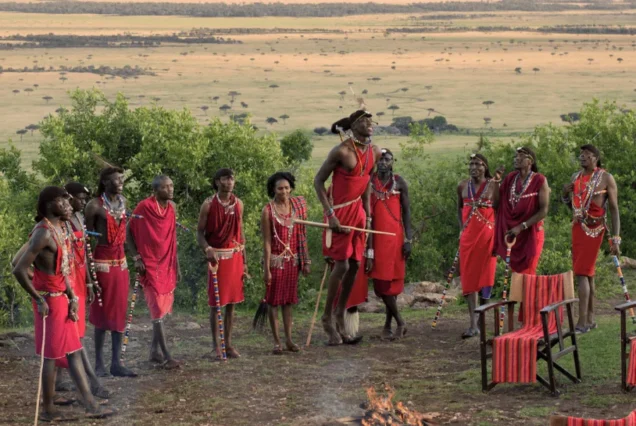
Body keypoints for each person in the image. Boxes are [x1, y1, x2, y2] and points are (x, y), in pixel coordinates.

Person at [12, 186, 114, 421]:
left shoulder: (60, 227)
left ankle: (90, 404)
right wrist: (38, 298)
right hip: (50, 302)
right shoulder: (43, 233)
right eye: (64, 202)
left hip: (63, 300)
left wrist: (71, 296)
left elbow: (64, 269)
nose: (70, 206)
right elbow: (19, 268)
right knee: (51, 356)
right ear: (50, 204)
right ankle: (48, 410)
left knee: (74, 351)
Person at [314, 109, 381, 345]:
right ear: (353, 126)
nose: (369, 123)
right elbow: (318, 181)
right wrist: (330, 213)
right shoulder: (341, 151)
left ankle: (340, 315)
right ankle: (327, 319)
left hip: (359, 215)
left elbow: (368, 184)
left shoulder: (375, 151)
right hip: (339, 213)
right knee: (341, 264)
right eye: (363, 120)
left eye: (370, 120)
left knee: (355, 265)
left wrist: (369, 215)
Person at [562, 144, 620, 333]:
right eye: (581, 154)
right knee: (588, 273)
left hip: (595, 228)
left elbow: (613, 209)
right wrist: (565, 194)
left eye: (587, 154)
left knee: (581, 273)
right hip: (578, 228)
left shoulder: (605, 178)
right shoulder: (575, 178)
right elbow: (573, 207)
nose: (582, 157)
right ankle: (591, 319)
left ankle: (582, 322)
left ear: (596, 157)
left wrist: (616, 238)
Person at [85, 167, 136, 377]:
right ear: (105, 182)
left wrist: (135, 256)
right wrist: (88, 272)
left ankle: (116, 363)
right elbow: (86, 240)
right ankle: (99, 364)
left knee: (119, 312)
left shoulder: (123, 202)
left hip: (121, 263)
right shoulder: (94, 206)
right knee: (102, 311)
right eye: (116, 179)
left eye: (122, 179)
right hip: (102, 262)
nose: (121, 182)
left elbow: (127, 232)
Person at [127, 175, 181, 368]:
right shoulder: (144, 207)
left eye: (171, 185)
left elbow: (172, 237)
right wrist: (136, 257)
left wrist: (176, 264)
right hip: (149, 263)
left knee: (163, 308)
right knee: (156, 308)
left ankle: (153, 352)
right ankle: (167, 356)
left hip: (166, 262)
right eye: (166, 187)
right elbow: (128, 232)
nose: (170, 189)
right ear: (156, 190)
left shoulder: (171, 208)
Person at [360, 148, 412, 340]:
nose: (383, 162)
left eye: (387, 159)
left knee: (392, 284)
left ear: (392, 162)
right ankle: (400, 321)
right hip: (375, 239)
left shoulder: (399, 182)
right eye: (380, 159)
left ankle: (389, 325)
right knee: (381, 285)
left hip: (396, 238)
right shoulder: (368, 182)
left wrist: (409, 239)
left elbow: (407, 212)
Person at [197, 168, 247, 360]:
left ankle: (228, 344)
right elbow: (200, 232)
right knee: (216, 303)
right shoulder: (208, 205)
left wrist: (244, 260)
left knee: (232, 303)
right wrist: (207, 248)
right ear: (217, 182)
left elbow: (240, 232)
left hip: (234, 256)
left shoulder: (239, 204)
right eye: (225, 179)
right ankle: (215, 346)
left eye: (232, 178)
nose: (229, 182)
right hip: (216, 258)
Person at [260, 172, 311, 354]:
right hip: (276, 262)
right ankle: (277, 342)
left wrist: (305, 261)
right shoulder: (268, 211)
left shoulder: (296, 207)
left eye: (287, 188)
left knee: (288, 302)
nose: (284, 191)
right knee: (273, 302)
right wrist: (266, 269)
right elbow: (266, 241)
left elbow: (302, 234)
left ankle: (289, 340)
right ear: (273, 189)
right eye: (280, 188)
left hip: (293, 261)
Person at [456, 154, 500, 338]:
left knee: (486, 278)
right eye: (471, 163)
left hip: (487, 238)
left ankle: (482, 319)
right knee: (470, 280)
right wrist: (462, 230)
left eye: (478, 164)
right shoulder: (462, 186)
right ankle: (473, 324)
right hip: (468, 240)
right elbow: (459, 209)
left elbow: (500, 210)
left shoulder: (493, 185)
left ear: (485, 167)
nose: (474, 167)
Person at [494, 146, 550, 274]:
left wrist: (521, 226)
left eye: (520, 156)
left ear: (530, 161)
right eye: (515, 156)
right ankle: (519, 295)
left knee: (528, 272)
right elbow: (497, 204)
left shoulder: (539, 180)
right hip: (513, 235)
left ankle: (528, 294)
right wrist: (497, 180)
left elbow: (543, 211)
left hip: (531, 234)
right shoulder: (510, 178)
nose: (516, 159)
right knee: (516, 275)